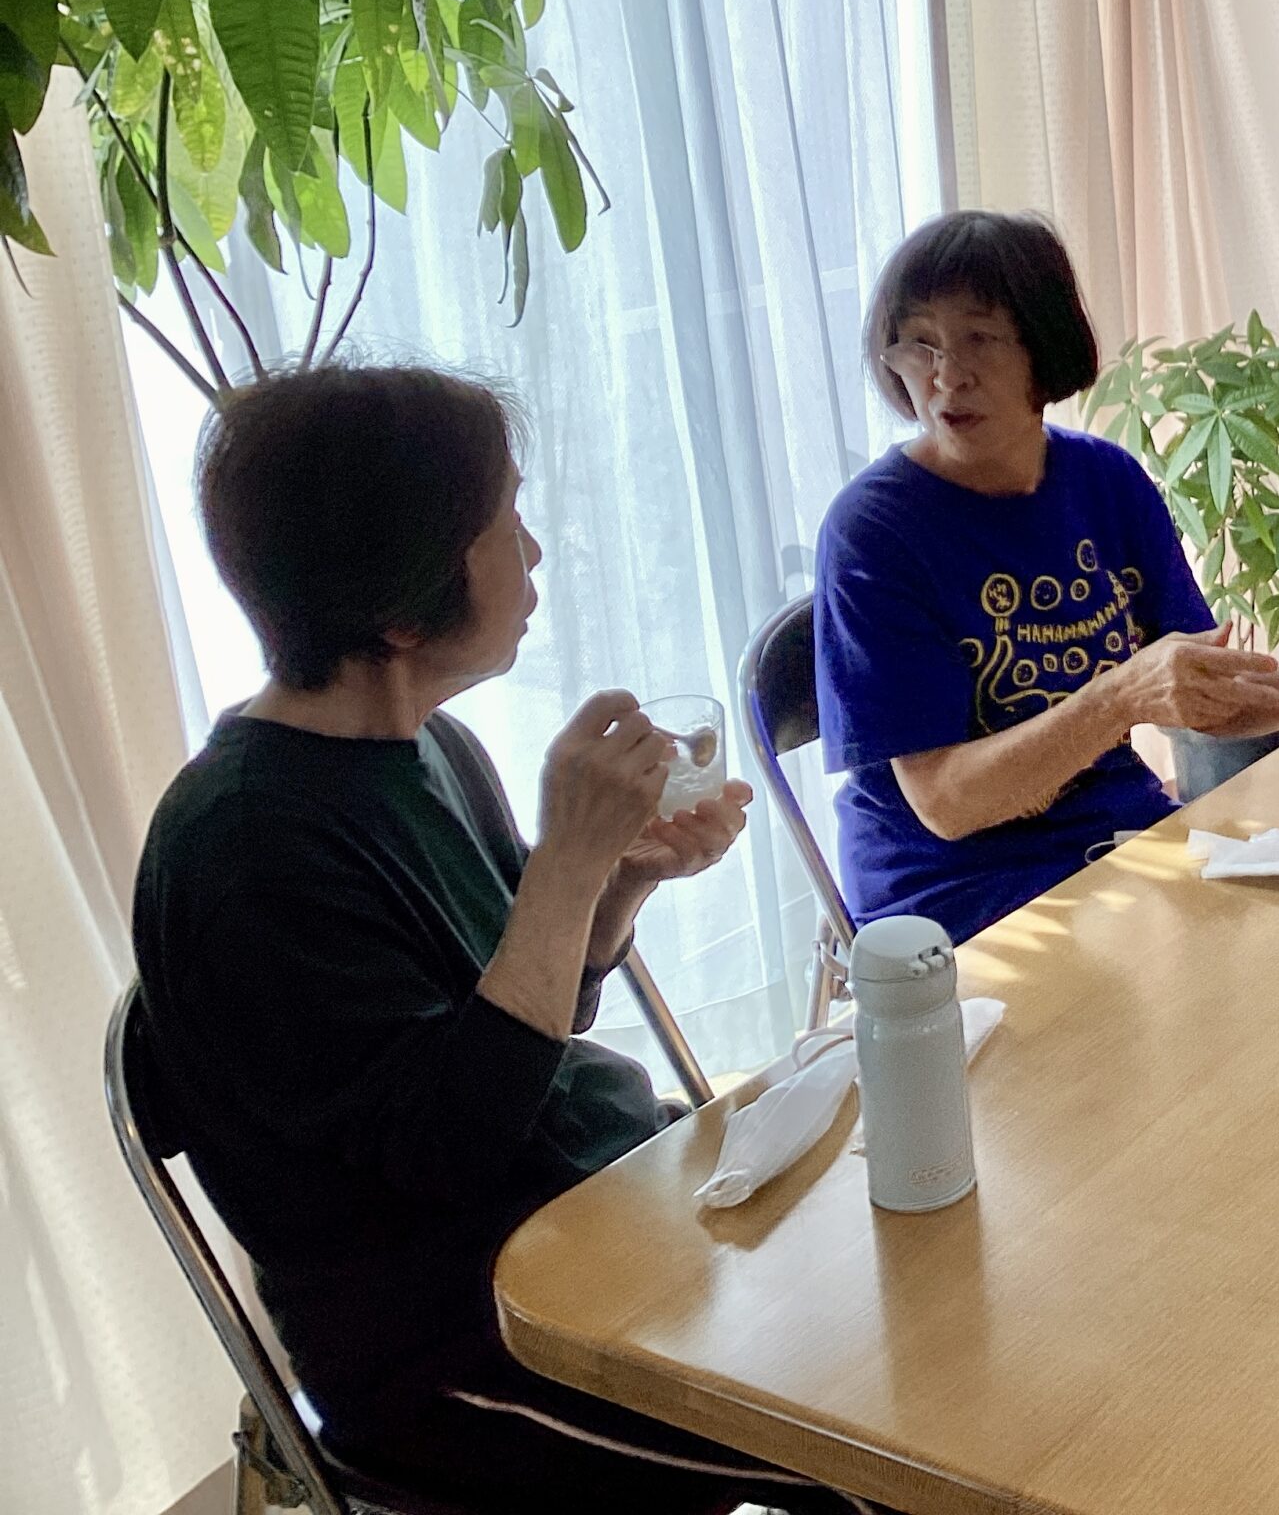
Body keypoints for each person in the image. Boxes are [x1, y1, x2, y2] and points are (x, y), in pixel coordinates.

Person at [130, 366, 859, 1515]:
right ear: (402, 607)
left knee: (911, 1266)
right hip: (467, 1348)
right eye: (505, 524)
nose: (534, 553)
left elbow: (527, 1020)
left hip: (599, 1218)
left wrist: (614, 882)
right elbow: (450, 1145)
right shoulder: (246, 851)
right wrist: (565, 864)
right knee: (880, 1430)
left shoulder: (429, 743)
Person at [815, 210, 1279, 944]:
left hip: (1116, 847)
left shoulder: (1104, 481)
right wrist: (1119, 698)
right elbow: (947, 804)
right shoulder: (874, 532)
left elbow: (1201, 693)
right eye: (920, 344)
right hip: (957, 899)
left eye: (978, 338)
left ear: (1043, 345)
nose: (947, 376)